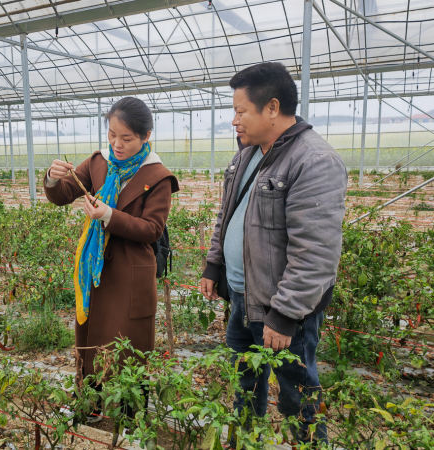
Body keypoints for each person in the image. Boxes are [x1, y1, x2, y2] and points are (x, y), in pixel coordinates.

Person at [200, 62, 347, 443]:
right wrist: (214, 264)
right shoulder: (248, 154)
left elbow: (315, 252)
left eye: (240, 110)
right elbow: (227, 214)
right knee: (244, 384)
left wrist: (284, 315)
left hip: (283, 311)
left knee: (297, 394)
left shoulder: (312, 159)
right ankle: (245, 440)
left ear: (271, 108)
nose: (234, 120)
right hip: (243, 298)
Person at [44, 97, 179, 396]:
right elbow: (64, 193)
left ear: (146, 137)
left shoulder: (157, 176)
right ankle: (89, 404)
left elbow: (152, 229)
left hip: (130, 276)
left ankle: (129, 414)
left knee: (127, 348)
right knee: (91, 342)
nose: (117, 144)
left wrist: (108, 215)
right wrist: (53, 179)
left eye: (127, 138)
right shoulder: (98, 163)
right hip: (96, 271)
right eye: (112, 134)